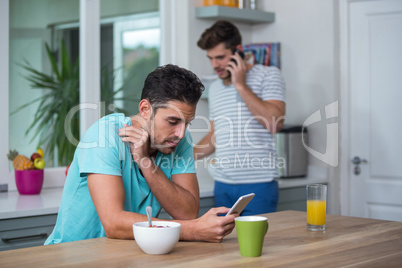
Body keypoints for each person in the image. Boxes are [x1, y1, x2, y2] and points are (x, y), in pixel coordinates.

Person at [45, 64, 237, 245]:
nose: (180, 133)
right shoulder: (103, 136)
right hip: (71, 255)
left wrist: (146, 162)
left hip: (123, 256)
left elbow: (187, 213)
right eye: (172, 121)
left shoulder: (178, 140)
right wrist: (192, 231)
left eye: (187, 123)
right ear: (145, 109)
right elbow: (114, 223)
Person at [194, 20, 286, 215]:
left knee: (256, 244)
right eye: (210, 58)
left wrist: (241, 85)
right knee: (224, 246)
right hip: (222, 185)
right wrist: (184, 154)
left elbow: (274, 124)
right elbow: (214, 136)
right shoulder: (216, 88)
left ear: (238, 51)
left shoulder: (269, 75)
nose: (214, 65)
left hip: (258, 185)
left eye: (220, 57)